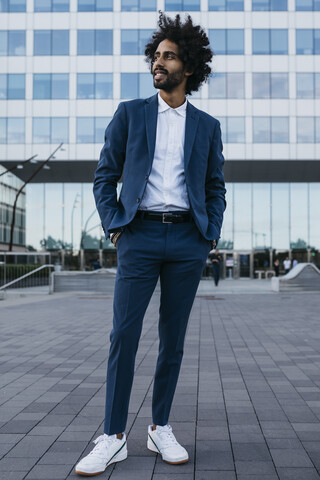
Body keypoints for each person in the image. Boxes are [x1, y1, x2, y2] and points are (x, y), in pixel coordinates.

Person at [75, 12, 226, 476]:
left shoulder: (207, 125)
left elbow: (215, 186)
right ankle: (114, 435)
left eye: (168, 56)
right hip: (138, 235)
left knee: (172, 340)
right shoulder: (130, 113)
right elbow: (105, 176)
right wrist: (115, 226)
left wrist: (210, 233)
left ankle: (160, 426)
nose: (158, 63)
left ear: (190, 67)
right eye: (155, 56)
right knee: (124, 334)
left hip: (187, 239)